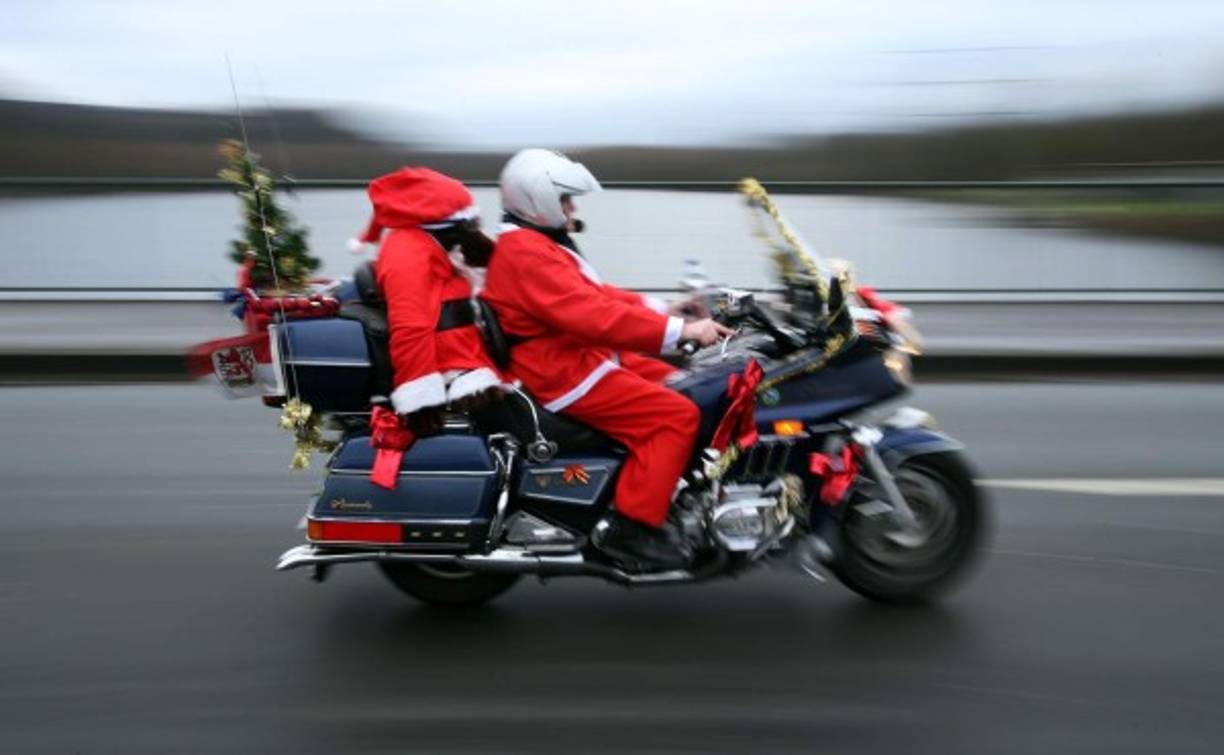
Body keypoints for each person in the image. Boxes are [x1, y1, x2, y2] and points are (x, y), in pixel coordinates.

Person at [482, 149, 734, 567]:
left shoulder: (531, 243)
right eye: (564, 199)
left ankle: (677, 490)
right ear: (537, 200)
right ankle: (631, 527)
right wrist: (683, 332)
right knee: (676, 416)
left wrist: (664, 309)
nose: (572, 207)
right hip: (562, 371)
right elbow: (592, 315)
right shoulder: (525, 252)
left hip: (575, 356)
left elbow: (595, 296)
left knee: (686, 380)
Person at [351, 167, 503, 434]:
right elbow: (410, 327)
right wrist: (421, 401)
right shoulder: (407, 255)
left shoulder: (434, 245)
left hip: (473, 359)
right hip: (458, 374)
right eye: (465, 227)